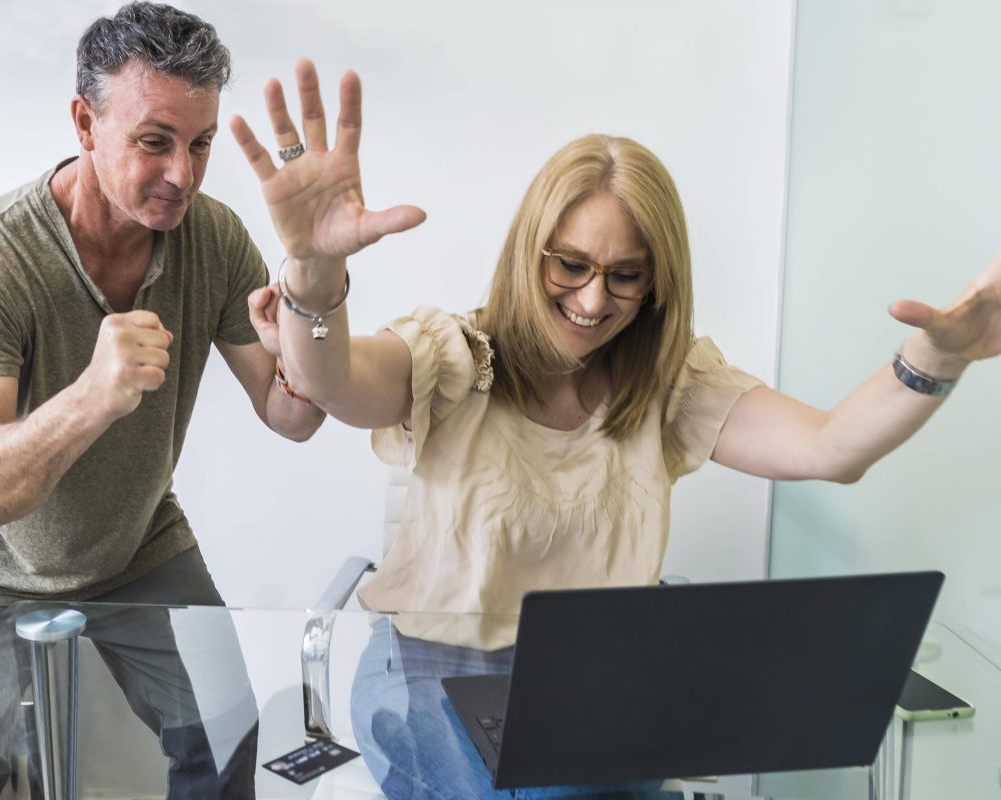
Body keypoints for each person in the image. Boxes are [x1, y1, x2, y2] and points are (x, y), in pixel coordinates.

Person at [230, 60, 1001, 798]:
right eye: (570, 265)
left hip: (594, 690)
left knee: (568, 779)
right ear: (529, 251)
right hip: (430, 668)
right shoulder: (454, 355)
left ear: (657, 282)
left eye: (625, 275)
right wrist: (313, 272)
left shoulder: (670, 385)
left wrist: (934, 357)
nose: (594, 302)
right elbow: (333, 382)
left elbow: (832, 448)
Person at [0, 2, 322, 795]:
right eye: (154, 142)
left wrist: (317, 284)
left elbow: (291, 413)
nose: (183, 176)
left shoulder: (217, 238)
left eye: (199, 146)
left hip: (135, 548)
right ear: (85, 123)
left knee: (230, 739)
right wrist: (94, 395)